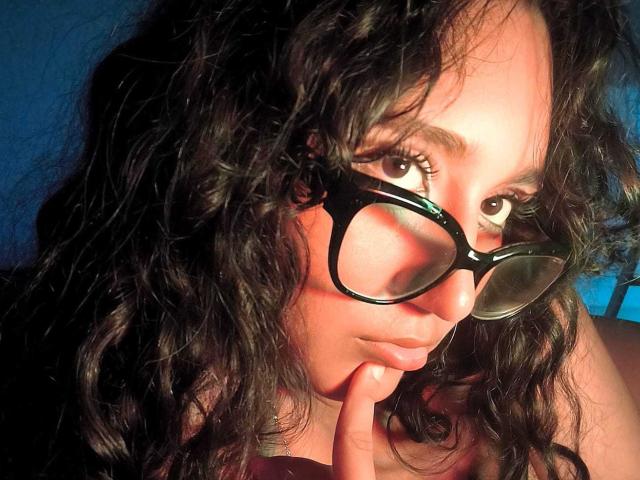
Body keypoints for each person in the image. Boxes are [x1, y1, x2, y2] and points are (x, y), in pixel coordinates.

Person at [1, 0, 639, 479]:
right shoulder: (66, 424)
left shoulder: (529, 330)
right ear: (235, 153)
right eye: (401, 166)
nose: (458, 301)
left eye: (498, 204)